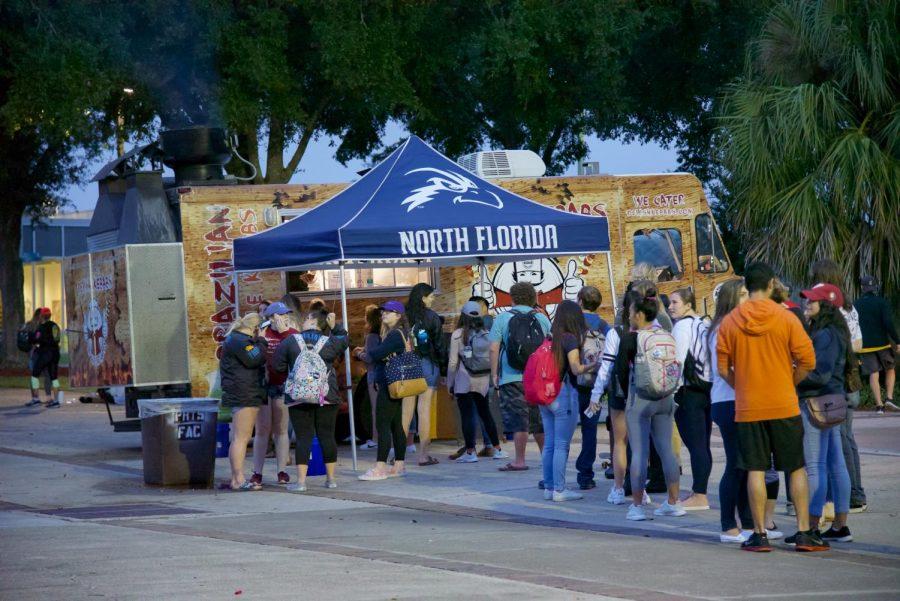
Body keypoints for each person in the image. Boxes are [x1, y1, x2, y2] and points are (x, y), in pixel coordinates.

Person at [716, 262, 824, 552]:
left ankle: (759, 533)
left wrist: (742, 385)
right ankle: (803, 532)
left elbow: (723, 367)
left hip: (749, 405)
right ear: (772, 283)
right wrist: (789, 381)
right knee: (796, 467)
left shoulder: (730, 322)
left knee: (755, 469)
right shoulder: (787, 318)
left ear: (745, 287)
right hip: (784, 404)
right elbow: (808, 361)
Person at [615, 288, 685, 521]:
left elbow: (621, 372)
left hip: (640, 399)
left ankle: (636, 505)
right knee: (666, 449)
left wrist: (626, 396)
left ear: (638, 315)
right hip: (665, 398)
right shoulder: (666, 334)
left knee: (639, 452)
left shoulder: (631, 338)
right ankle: (673, 501)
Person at [793, 283, 853, 544]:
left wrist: (793, 378)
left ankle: (811, 526)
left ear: (826, 305)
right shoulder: (836, 331)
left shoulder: (825, 334)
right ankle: (840, 525)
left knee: (815, 466)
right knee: (836, 464)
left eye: (812, 301)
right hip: (833, 401)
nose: (808, 304)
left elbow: (820, 373)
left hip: (817, 402)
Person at [809, 259, 867, 511]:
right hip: (850, 380)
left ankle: (846, 498)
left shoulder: (828, 310)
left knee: (835, 446)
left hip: (834, 385)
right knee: (846, 439)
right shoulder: (849, 307)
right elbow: (859, 343)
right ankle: (854, 494)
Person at [274, 309, 349, 491]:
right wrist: (335, 327)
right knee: (327, 436)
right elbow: (345, 341)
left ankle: (300, 482)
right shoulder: (330, 342)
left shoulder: (290, 341)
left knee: (303, 438)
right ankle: (331, 479)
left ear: (311, 320)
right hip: (326, 396)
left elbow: (278, 366)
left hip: (298, 397)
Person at [708, 279, 755, 542]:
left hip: (736, 399)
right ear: (732, 298)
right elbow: (724, 369)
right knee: (736, 464)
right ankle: (728, 525)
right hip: (729, 401)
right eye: (744, 294)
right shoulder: (723, 328)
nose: (749, 298)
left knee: (746, 464)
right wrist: (745, 388)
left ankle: (748, 522)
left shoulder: (734, 325)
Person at [489, 281, 550, 472]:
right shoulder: (542, 319)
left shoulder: (502, 318)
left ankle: (520, 460)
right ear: (533, 298)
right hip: (537, 377)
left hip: (511, 376)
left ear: (512, 298)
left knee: (518, 418)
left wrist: (494, 374)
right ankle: (546, 458)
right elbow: (550, 347)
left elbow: (493, 348)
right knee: (539, 418)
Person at [541, 300, 597, 501]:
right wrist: (593, 365)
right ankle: (560, 489)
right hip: (563, 394)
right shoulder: (570, 339)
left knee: (549, 443)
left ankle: (548, 487)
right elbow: (575, 368)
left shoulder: (549, 337)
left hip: (545, 395)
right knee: (561, 444)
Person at [354, 301, 411, 481]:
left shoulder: (395, 334)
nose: (384, 314)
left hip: (390, 384)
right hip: (394, 383)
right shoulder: (398, 333)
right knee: (395, 426)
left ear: (399, 315)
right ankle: (399, 465)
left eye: (389, 312)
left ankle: (380, 467)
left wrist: (359, 354)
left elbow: (375, 355)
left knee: (383, 424)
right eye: (383, 312)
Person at [446, 301, 506, 463]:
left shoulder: (458, 334)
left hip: (463, 381)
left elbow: (452, 363)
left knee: (467, 416)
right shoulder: (486, 332)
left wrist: (449, 385)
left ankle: (470, 452)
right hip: (483, 382)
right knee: (485, 414)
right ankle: (497, 449)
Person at [670, 287, 713, 511]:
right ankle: (700, 490)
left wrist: (671, 393)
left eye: (675, 302)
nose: (670, 307)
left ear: (688, 304)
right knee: (703, 444)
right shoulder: (705, 323)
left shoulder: (682, 326)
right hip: (707, 389)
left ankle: (700, 495)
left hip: (688, 391)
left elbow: (676, 361)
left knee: (696, 445)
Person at [219, 313, 268, 490]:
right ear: (256, 328)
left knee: (239, 437)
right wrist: (262, 341)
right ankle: (239, 479)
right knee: (242, 437)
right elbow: (255, 358)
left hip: (242, 391)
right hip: (245, 393)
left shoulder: (235, 339)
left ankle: (236, 478)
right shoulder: (240, 341)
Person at [250, 302, 297, 486]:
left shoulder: (293, 334)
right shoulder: (261, 333)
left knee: (281, 429)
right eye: (280, 314)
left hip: (282, 385)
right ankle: (257, 472)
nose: (284, 317)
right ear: (270, 318)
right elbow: (253, 356)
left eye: (286, 314)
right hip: (263, 385)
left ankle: (282, 471)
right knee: (262, 429)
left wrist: (285, 332)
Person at [405, 283, 445, 465]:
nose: (433, 299)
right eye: (431, 296)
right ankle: (423, 455)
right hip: (427, 364)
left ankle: (396, 455)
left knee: (405, 413)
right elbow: (439, 345)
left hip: (406, 365)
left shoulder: (404, 316)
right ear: (423, 298)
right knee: (424, 410)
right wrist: (443, 370)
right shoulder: (432, 317)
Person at [574, 286, 610, 490]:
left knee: (562, 434)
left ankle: (556, 476)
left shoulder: (574, 325)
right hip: (597, 385)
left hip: (575, 383)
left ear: (580, 301)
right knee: (590, 430)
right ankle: (586, 474)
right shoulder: (605, 326)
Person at [854, 276, 898, 414]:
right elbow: (888, 323)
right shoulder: (881, 302)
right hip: (883, 344)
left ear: (862, 288)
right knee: (890, 368)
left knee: (874, 373)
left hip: (865, 346)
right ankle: (889, 398)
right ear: (875, 288)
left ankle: (879, 406)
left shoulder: (856, 304)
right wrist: (897, 341)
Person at [357, 305, 382, 451]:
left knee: (375, 409)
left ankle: (375, 438)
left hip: (373, 375)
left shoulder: (372, 336)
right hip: (383, 374)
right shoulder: (385, 334)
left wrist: (358, 353)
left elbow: (370, 357)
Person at [28, 308, 61, 408]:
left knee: (34, 375)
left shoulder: (41, 327)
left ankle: (36, 399)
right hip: (55, 353)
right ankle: (56, 401)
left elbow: (35, 339)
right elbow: (57, 339)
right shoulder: (55, 326)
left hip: (45, 353)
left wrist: (30, 336)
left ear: (41, 316)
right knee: (54, 378)